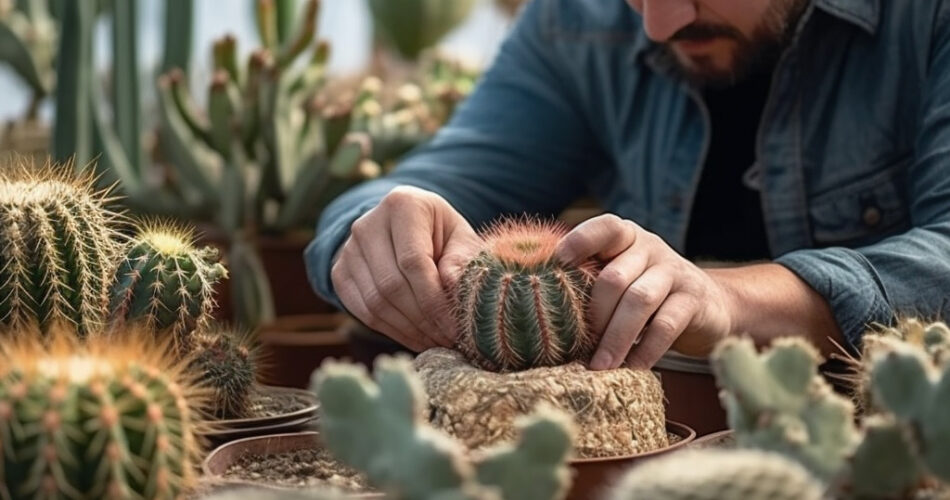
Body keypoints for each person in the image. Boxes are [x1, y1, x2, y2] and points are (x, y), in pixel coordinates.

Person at [305, 0, 950, 371]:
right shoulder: (576, 21)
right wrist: (376, 228)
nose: (659, 24)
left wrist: (726, 301)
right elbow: (434, 181)